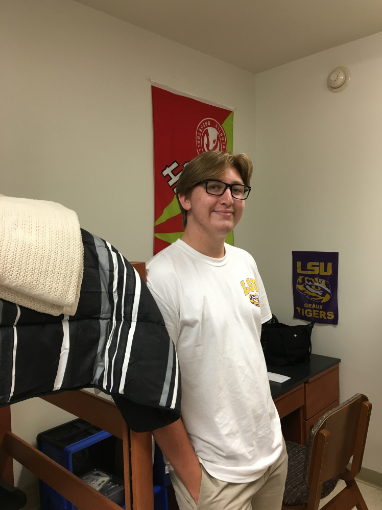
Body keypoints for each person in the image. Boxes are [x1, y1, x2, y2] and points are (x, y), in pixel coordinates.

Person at [148, 151, 287, 510]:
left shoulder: (245, 262)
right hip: (216, 474)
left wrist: (273, 439)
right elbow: (151, 394)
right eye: (214, 187)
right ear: (184, 197)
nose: (229, 198)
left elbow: (248, 347)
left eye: (238, 190)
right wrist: (194, 480)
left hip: (271, 452)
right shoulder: (161, 277)